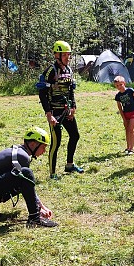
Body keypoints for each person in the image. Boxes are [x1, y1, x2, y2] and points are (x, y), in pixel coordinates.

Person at [0, 126, 57, 227]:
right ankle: (35, 218)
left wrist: (41, 206)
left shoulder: (20, 152)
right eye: (43, 147)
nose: (44, 151)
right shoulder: (23, 156)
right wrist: (40, 207)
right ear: (33, 144)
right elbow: (27, 180)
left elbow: (26, 185)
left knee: (23, 176)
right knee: (26, 173)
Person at [38, 40, 83, 179]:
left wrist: (73, 107)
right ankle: (52, 173)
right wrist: (49, 114)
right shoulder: (51, 71)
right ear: (57, 55)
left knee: (75, 136)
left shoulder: (69, 70)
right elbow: (42, 93)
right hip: (55, 113)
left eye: (69, 55)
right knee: (56, 143)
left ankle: (69, 165)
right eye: (65, 55)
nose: (68, 58)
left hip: (66, 111)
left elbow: (70, 91)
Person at [113, 75, 134, 155]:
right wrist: (124, 119)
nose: (119, 87)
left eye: (120, 84)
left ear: (124, 83)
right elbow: (120, 108)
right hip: (126, 113)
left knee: (131, 129)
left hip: (133, 112)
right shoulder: (118, 96)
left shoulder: (130, 91)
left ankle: (132, 148)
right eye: (117, 86)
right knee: (127, 130)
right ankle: (128, 146)